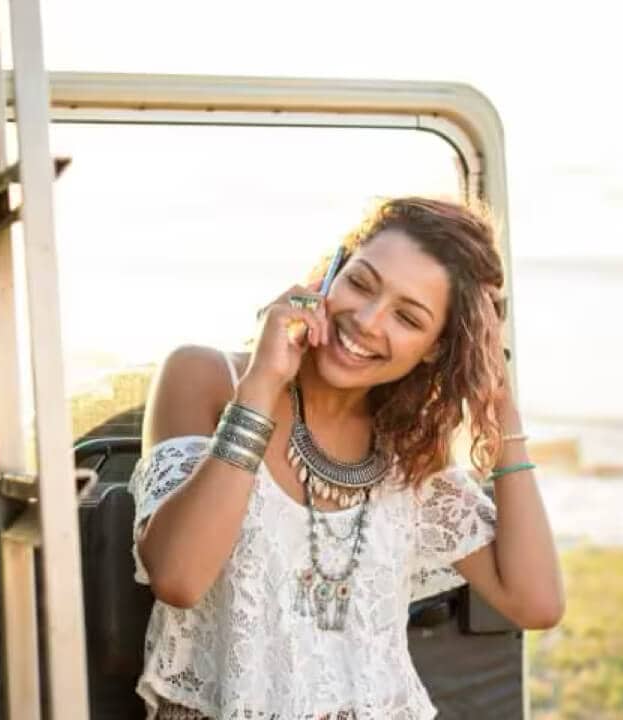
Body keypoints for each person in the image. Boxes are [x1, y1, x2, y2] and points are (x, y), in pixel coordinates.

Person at [130, 197, 564, 719]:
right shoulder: (206, 377)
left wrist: (500, 411)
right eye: (360, 283)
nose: (366, 320)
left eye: (407, 317)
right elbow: (178, 578)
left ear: (433, 348)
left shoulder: (409, 453)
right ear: (331, 272)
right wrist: (262, 386)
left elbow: (535, 602)